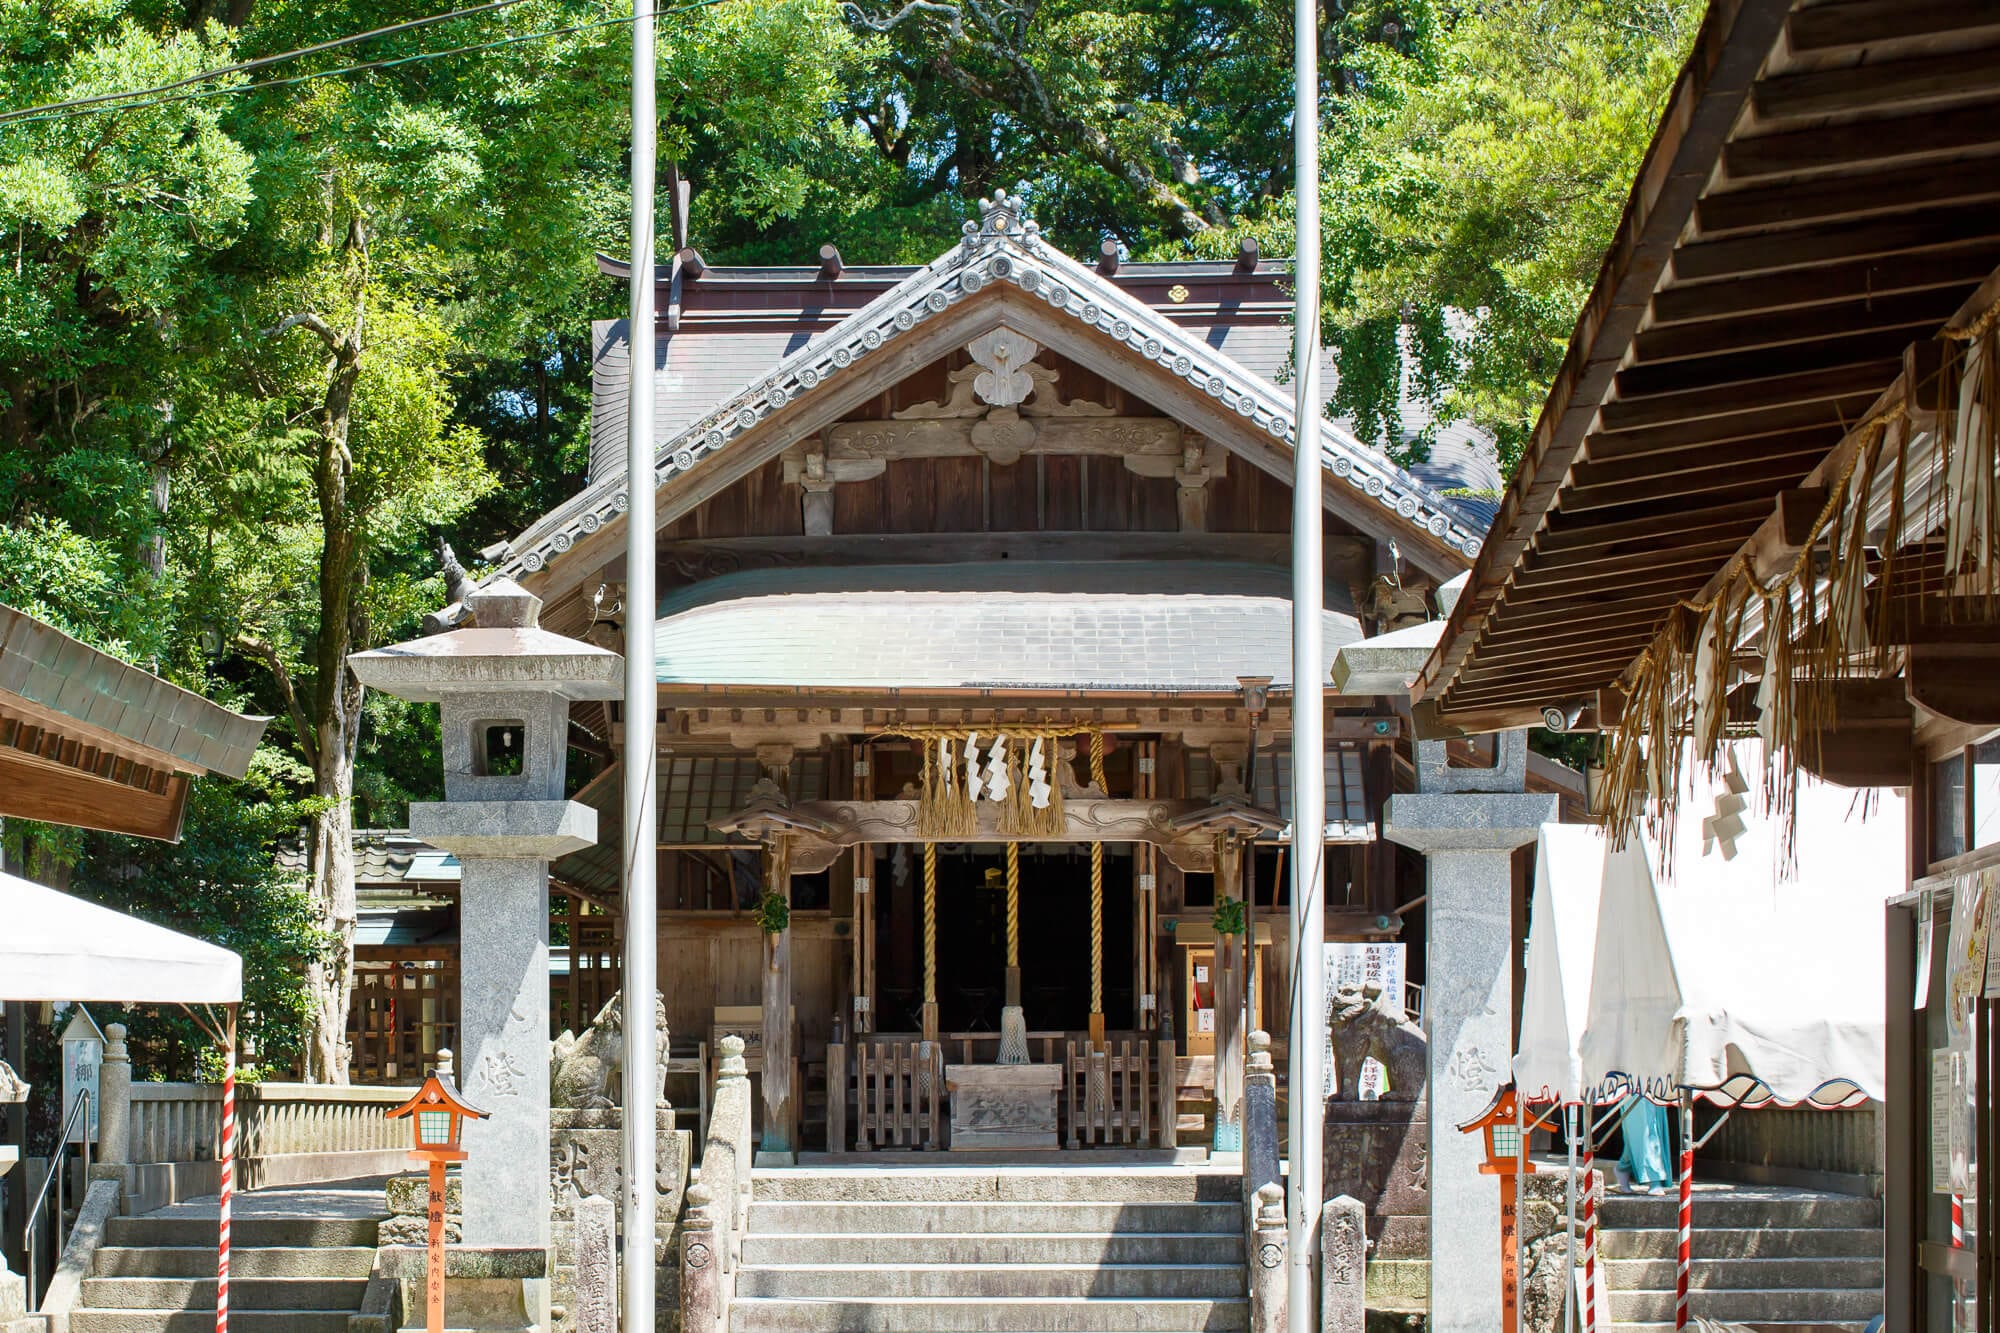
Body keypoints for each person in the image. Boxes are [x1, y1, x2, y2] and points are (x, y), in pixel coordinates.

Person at [1614, 1094, 1673, 1194]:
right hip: (1635, 1086)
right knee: (1645, 1130)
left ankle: (1624, 1167)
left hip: (1654, 1085)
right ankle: (1654, 1180)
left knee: (1650, 1130)